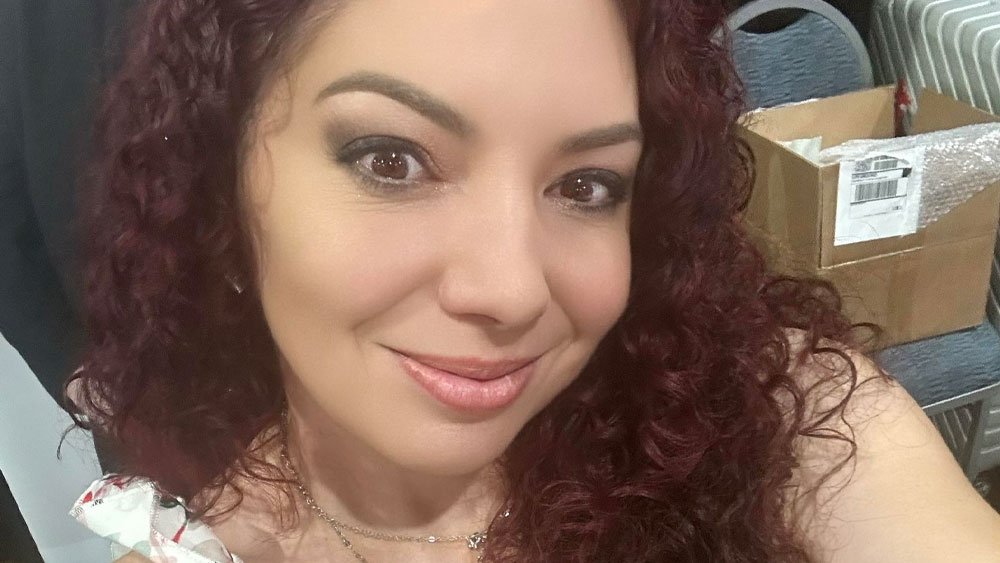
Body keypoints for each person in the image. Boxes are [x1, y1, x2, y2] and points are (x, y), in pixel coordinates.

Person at [64, 0, 1000, 561]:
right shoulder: (192, 541)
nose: (511, 289)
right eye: (392, 160)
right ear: (221, 184)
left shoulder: (782, 414)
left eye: (586, 186)